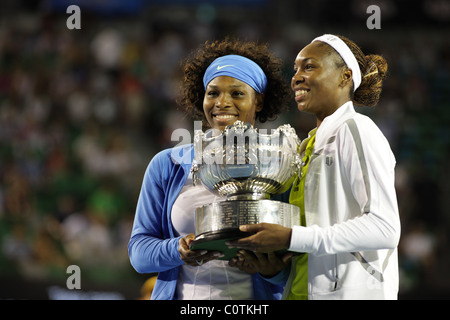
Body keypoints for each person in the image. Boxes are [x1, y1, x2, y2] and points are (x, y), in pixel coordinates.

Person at [227, 34, 401, 300]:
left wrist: (291, 238)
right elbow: (313, 252)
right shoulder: (306, 146)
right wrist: (275, 270)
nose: (296, 77)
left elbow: (385, 227)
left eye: (309, 66)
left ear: (345, 76)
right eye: (295, 69)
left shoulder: (357, 130)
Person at [128, 38, 291, 300]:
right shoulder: (168, 164)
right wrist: (177, 249)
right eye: (213, 92)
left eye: (237, 93)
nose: (221, 102)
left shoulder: (279, 166)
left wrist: (273, 272)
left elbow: (295, 259)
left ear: (258, 101)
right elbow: (139, 252)